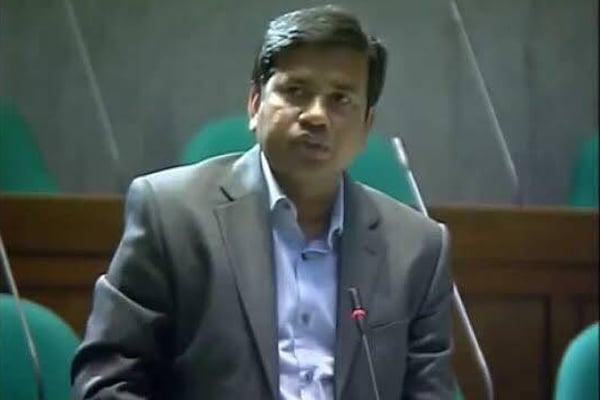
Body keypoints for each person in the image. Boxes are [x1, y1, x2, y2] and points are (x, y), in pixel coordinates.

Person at [71, 5, 455, 399]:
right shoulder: (170, 216)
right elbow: (106, 381)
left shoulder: (417, 249)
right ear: (255, 103)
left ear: (366, 125)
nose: (316, 116)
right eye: (296, 91)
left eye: (340, 99)